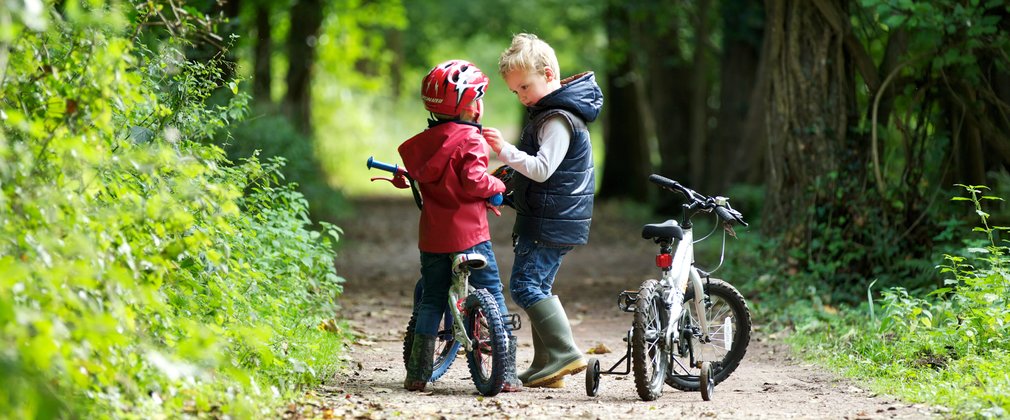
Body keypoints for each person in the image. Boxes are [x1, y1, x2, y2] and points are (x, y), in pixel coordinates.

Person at [483, 33, 603, 388]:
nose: (521, 96)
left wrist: (504, 150)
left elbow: (542, 169)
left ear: (548, 73)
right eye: (515, 92)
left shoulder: (558, 120)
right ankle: (548, 364)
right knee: (539, 286)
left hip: (552, 220)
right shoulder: (550, 114)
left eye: (524, 87)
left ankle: (565, 352)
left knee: (523, 286)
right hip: (552, 216)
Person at [398, 59, 521, 392]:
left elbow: (419, 176)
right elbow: (474, 182)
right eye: (478, 98)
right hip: (470, 238)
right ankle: (507, 374)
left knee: (432, 298)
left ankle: (418, 373)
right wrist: (498, 188)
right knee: (492, 294)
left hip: (434, 238)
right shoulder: (470, 140)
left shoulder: (426, 142)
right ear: (471, 106)